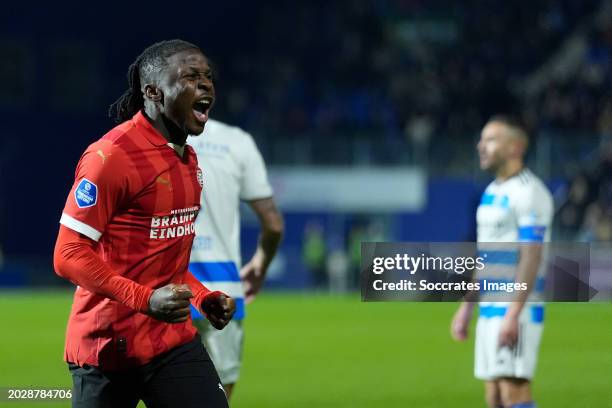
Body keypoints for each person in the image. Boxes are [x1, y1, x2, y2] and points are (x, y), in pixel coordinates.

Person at [53, 39, 236, 408]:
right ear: (152, 91)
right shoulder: (112, 157)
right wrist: (145, 298)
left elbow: (163, 260)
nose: (205, 85)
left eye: (208, 77)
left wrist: (203, 298)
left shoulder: (188, 160)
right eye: (190, 76)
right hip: (107, 349)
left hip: (171, 342)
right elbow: (68, 254)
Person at [450, 116, 553, 408]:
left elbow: (531, 255)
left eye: (491, 139)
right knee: (494, 395)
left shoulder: (529, 192)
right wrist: (467, 306)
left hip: (516, 307)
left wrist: (514, 313)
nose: (481, 146)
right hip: (489, 308)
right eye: (482, 140)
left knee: (514, 392)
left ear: (515, 147)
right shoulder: (493, 192)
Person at [187, 117, 284, 400]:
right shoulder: (236, 141)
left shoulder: (151, 137)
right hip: (223, 290)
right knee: (219, 394)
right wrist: (260, 265)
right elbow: (273, 224)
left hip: (166, 284)